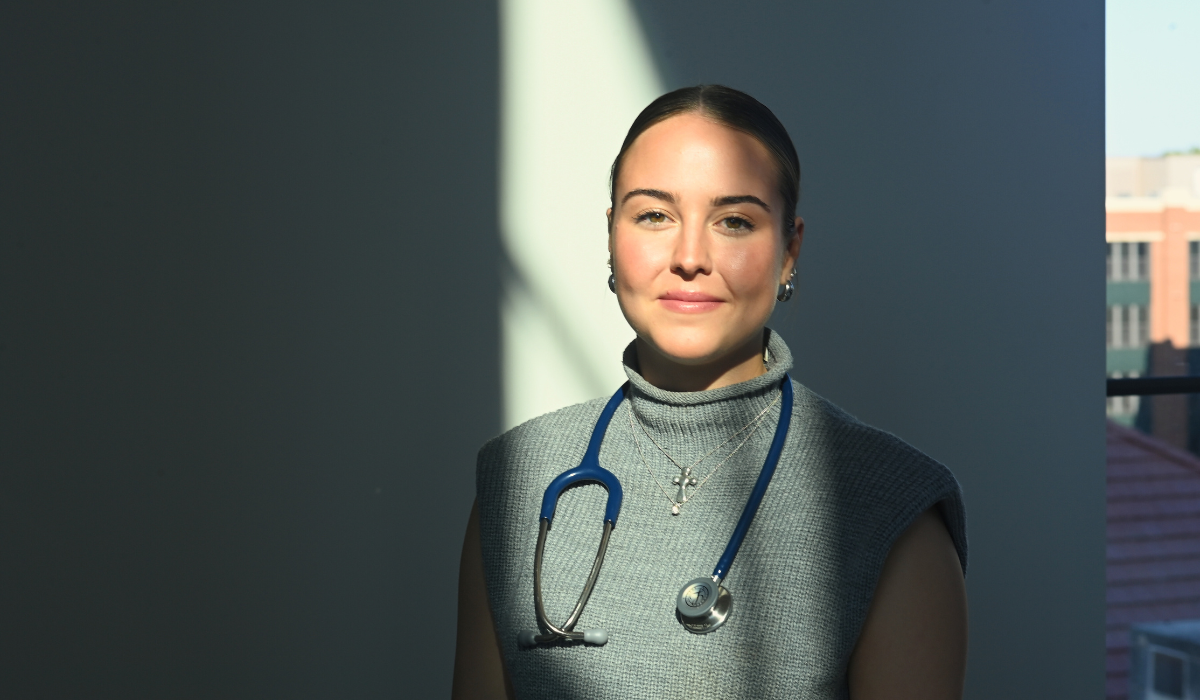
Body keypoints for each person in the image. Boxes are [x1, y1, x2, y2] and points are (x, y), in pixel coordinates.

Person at [452, 85, 968, 700]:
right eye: (653, 215)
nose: (690, 257)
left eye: (734, 222)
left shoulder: (891, 507)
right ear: (611, 234)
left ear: (788, 253)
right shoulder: (518, 476)